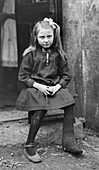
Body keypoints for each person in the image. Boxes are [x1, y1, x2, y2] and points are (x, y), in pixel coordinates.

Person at [16, 18, 83, 163]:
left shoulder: (58, 53)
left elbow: (66, 75)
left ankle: (68, 140)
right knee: (41, 108)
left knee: (69, 102)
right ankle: (29, 144)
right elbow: (23, 76)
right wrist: (39, 86)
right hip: (35, 87)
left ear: (54, 36)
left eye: (49, 36)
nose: (46, 40)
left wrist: (57, 86)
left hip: (52, 85)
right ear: (35, 37)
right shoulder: (31, 53)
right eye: (42, 37)